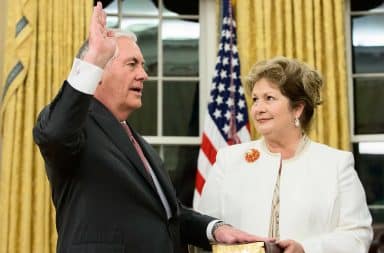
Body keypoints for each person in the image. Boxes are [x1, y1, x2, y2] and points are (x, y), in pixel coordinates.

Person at [32, 2, 269, 253]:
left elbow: (170, 215)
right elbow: (54, 134)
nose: (144, 74)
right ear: (99, 73)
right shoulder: (79, 127)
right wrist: (92, 59)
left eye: (143, 65)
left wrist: (215, 229)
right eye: (132, 64)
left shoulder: (139, 144)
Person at [196, 56, 373, 253]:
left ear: (297, 108)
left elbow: (358, 236)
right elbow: (204, 227)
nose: (258, 108)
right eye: (255, 99)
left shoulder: (336, 164)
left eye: (269, 98)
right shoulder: (228, 160)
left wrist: (306, 249)